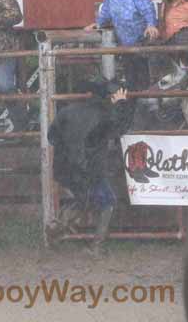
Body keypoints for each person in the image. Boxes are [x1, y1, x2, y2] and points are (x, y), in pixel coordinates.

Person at [46, 80, 134, 256]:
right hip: (90, 170)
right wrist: (122, 103)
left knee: (84, 199)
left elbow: (51, 136)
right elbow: (120, 128)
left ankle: (56, 227)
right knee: (107, 201)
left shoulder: (67, 111)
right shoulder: (106, 115)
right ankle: (96, 247)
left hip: (65, 168)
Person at [85, 0, 159, 91]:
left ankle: (142, 106)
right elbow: (106, 7)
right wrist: (98, 23)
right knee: (131, 78)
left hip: (140, 41)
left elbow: (147, 7)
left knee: (142, 79)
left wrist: (150, 24)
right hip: (124, 41)